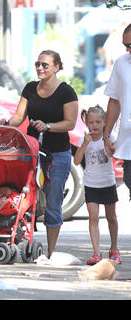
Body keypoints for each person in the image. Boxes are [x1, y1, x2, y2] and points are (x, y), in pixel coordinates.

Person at [0, 50, 78, 258]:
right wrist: (6, 123)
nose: (40, 68)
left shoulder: (66, 92)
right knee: (23, 192)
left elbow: (70, 123)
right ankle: (20, 238)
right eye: (38, 64)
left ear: (57, 67)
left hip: (56, 154)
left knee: (53, 201)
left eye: (45, 65)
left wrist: (48, 126)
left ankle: (51, 252)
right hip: (30, 149)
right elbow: (18, 116)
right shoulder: (30, 88)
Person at [74, 105, 121, 265]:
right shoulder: (84, 140)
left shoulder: (109, 138)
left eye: (98, 122)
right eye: (91, 122)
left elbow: (116, 154)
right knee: (93, 218)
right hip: (91, 183)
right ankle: (96, 253)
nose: (94, 125)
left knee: (111, 217)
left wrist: (112, 148)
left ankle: (114, 249)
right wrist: (84, 145)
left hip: (107, 182)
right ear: (87, 123)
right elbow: (76, 161)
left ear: (104, 123)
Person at [103, 23, 131, 203]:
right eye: (126, 45)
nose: (128, 49)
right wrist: (106, 136)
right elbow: (114, 101)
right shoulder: (121, 63)